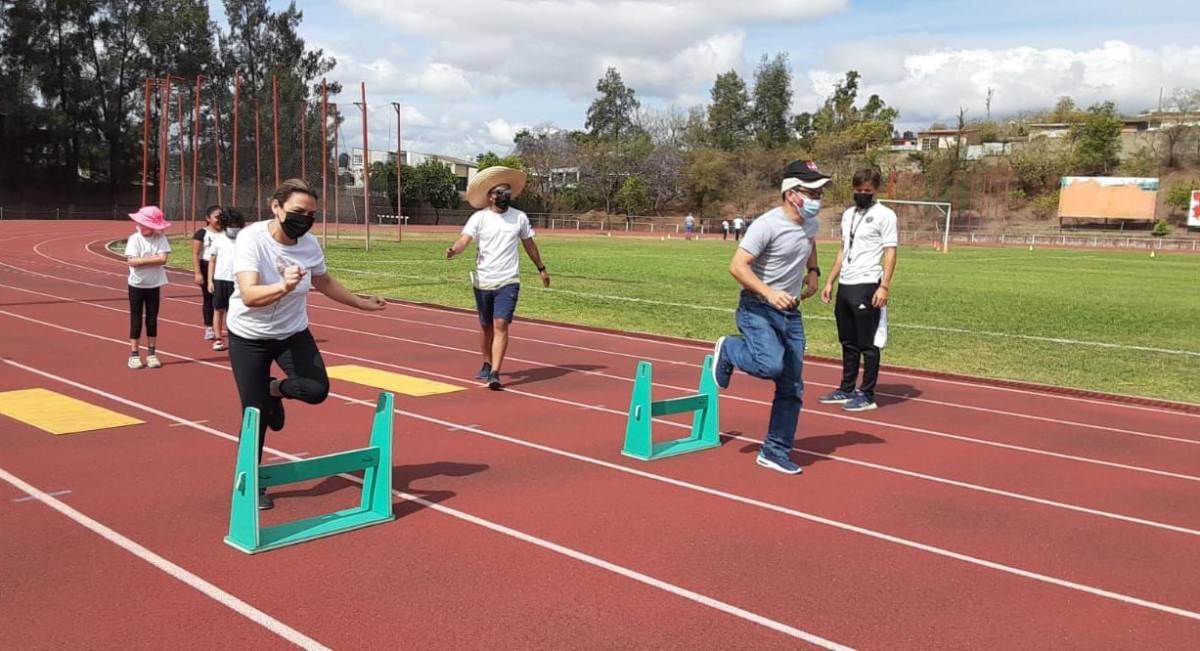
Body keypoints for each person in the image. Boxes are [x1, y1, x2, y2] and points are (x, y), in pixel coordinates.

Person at [227, 179, 387, 510]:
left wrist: (360, 303)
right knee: (253, 415)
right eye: (298, 211)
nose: (305, 219)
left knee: (316, 390)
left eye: (312, 214)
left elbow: (323, 279)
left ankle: (274, 390)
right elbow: (249, 294)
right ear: (276, 207)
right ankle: (251, 481)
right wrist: (283, 287)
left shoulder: (309, 244)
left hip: (292, 332)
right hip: (249, 336)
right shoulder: (251, 239)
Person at [711, 160, 828, 475]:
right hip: (757, 308)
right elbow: (737, 266)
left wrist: (813, 272)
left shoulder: (809, 223)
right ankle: (729, 349)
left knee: (792, 386)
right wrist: (768, 292)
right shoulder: (767, 225)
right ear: (792, 193)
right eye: (812, 191)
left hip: (790, 312)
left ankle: (774, 451)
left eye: (821, 191)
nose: (819, 197)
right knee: (770, 364)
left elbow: (810, 243)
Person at [446, 166, 550, 390]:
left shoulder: (519, 218)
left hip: (508, 280)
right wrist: (454, 250)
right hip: (483, 280)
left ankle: (495, 372)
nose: (504, 196)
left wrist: (541, 267)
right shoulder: (479, 218)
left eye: (507, 192)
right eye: (500, 192)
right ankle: (486, 361)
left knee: (500, 323)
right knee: (486, 327)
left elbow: (529, 244)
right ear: (490, 196)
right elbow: (465, 239)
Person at [820, 167, 898, 412]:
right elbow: (843, 249)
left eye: (867, 190)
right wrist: (830, 281)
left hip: (868, 282)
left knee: (868, 342)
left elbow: (890, 252)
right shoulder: (848, 214)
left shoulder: (885, 215)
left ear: (875, 191)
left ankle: (867, 394)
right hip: (846, 282)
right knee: (848, 340)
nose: (862, 194)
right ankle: (846, 388)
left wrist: (884, 286)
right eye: (859, 190)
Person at [125, 206, 172, 370]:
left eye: (146, 225)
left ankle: (152, 353)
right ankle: (134, 354)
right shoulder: (134, 239)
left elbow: (163, 259)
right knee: (136, 319)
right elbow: (132, 262)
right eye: (141, 224)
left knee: (152, 319)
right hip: (136, 284)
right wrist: (153, 259)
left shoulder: (160, 239)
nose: (142, 227)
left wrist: (142, 260)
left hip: (154, 284)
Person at [206, 208, 246, 352]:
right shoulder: (219, 239)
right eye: (230, 225)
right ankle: (218, 338)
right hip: (220, 279)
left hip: (238, 280)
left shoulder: (244, 239)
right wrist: (210, 280)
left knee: (236, 310)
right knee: (218, 309)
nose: (233, 228)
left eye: (236, 225)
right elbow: (212, 260)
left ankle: (236, 338)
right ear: (224, 225)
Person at [192, 206, 222, 340]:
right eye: (216, 217)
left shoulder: (227, 232)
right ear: (208, 218)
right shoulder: (202, 233)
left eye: (222, 217)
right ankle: (209, 327)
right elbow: (195, 254)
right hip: (206, 266)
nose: (219, 220)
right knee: (209, 298)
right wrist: (198, 273)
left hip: (223, 267)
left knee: (223, 299)